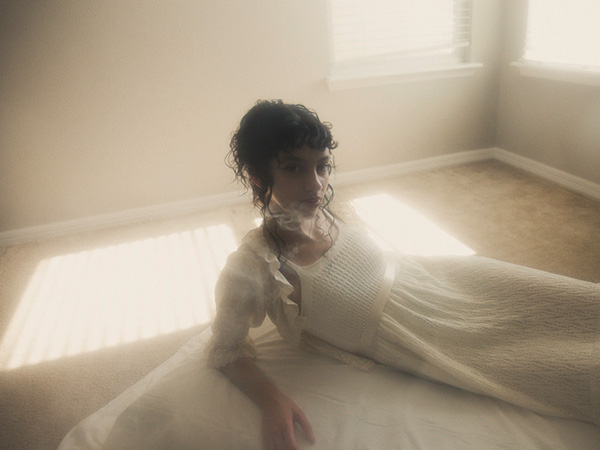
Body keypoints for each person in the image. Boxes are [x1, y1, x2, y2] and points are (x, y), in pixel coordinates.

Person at [207, 99, 600, 450]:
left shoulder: (323, 209)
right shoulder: (253, 266)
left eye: (322, 166)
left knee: (573, 302)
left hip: (441, 278)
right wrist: (273, 400)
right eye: (294, 168)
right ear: (257, 176)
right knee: (571, 370)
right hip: (421, 333)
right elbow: (226, 350)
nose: (315, 184)